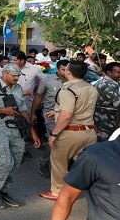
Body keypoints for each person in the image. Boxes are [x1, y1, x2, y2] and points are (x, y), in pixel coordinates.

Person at [0, 63, 41, 209]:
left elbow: (24, 110)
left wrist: (33, 133)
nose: (17, 78)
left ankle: (3, 189)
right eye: (14, 75)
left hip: (17, 128)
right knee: (6, 161)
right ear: (4, 73)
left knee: (17, 160)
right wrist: (3, 110)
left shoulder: (18, 88)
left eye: (19, 75)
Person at [37, 61, 97, 201]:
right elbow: (81, 107)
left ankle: (57, 191)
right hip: (89, 132)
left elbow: (67, 115)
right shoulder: (91, 88)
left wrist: (54, 134)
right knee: (83, 164)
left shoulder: (67, 89)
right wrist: (56, 111)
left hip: (70, 133)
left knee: (59, 163)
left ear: (68, 71)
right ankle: (87, 188)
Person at [31, 59, 69, 178]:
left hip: (67, 114)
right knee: (55, 139)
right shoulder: (48, 79)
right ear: (57, 69)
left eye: (67, 69)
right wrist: (33, 113)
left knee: (66, 140)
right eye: (63, 70)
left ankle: (64, 164)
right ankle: (44, 162)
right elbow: (38, 96)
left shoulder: (73, 80)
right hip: (49, 115)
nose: (66, 72)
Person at [93, 62, 120, 141]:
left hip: (112, 120)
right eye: (118, 72)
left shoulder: (114, 83)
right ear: (108, 73)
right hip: (106, 122)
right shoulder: (105, 85)